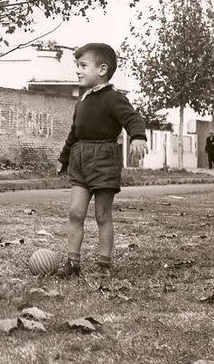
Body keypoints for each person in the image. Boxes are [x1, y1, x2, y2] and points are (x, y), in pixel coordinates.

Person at [55, 43, 148, 277]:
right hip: (80, 159)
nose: (78, 70)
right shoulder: (82, 101)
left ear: (102, 69)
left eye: (83, 65)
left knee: (102, 215)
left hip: (104, 160)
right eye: (77, 65)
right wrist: (64, 157)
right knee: (75, 212)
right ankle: (72, 264)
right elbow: (74, 133)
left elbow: (133, 119)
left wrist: (137, 137)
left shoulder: (114, 98)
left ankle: (103, 265)